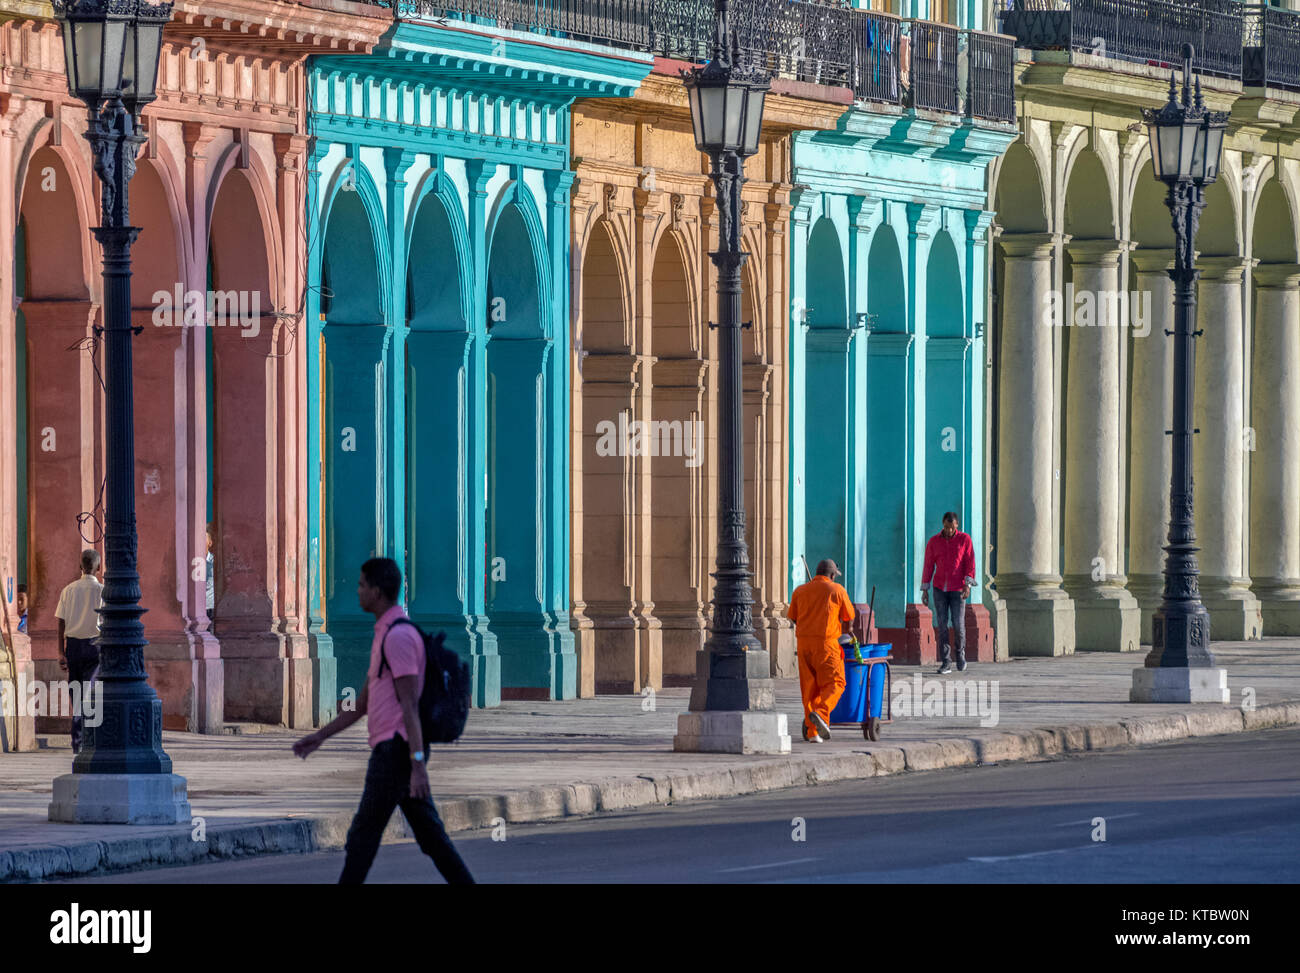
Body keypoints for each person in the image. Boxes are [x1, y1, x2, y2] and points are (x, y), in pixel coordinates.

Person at [293, 557, 474, 885]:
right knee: (428, 837)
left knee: (364, 835)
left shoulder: (398, 638)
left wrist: (417, 765)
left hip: (396, 752)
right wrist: (319, 737)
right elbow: (362, 704)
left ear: (377, 591)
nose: (358, 591)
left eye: (362, 585)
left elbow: (410, 707)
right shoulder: (386, 633)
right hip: (396, 752)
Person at [787, 558, 855, 743]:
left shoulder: (800, 591)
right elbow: (849, 618)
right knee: (837, 683)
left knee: (809, 689)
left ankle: (812, 733)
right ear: (832, 575)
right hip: (826, 645)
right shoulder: (837, 590)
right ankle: (821, 712)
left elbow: (793, 618)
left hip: (803, 645)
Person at [55, 550, 103, 752]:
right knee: (91, 693)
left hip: (73, 646)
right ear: (98, 568)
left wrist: (60, 651)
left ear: (79, 567)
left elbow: (61, 622)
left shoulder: (68, 590)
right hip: (95, 646)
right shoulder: (102, 591)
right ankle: (89, 739)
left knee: (76, 693)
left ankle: (78, 741)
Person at [920, 511, 976, 675]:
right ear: (942, 525)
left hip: (958, 589)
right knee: (942, 625)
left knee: (958, 625)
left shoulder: (964, 540)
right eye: (946, 527)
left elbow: (969, 564)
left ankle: (960, 654)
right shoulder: (934, 542)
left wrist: (967, 585)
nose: (949, 531)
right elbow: (928, 565)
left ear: (957, 525)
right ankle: (945, 661)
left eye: (951, 528)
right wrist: (925, 589)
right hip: (939, 589)